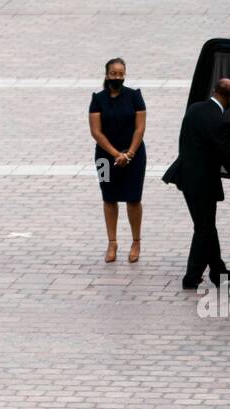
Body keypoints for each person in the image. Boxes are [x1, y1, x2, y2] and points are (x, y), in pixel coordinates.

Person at [163, 77, 230, 289]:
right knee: (203, 229)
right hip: (203, 184)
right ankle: (191, 278)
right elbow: (227, 157)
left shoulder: (194, 109)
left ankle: (218, 272)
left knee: (207, 228)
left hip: (186, 176)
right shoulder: (220, 122)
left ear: (214, 90)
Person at [88, 57, 147, 263]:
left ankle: (136, 241)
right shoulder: (98, 99)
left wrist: (129, 154)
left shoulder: (135, 96)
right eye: (114, 73)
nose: (118, 77)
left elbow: (140, 127)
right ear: (106, 75)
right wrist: (115, 154)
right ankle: (112, 242)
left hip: (134, 155)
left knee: (133, 198)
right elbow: (96, 132)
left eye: (121, 74)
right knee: (108, 197)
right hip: (105, 158)